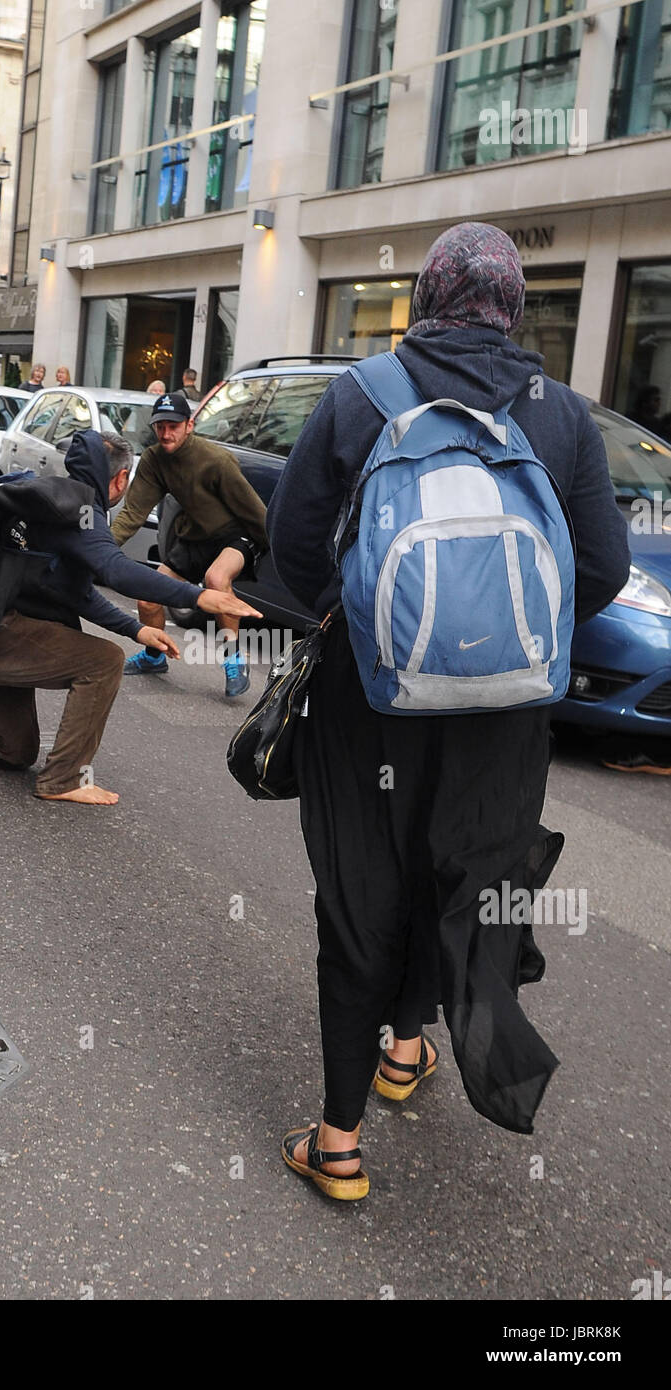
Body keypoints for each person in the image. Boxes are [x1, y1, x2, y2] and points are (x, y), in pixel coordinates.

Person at [268, 221, 631, 1200]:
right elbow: (602, 565)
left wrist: (369, 623)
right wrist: (503, 637)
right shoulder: (558, 414)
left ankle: (338, 1144)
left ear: (424, 298)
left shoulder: (357, 397)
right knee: (459, 876)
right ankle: (405, 1047)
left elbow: (293, 547)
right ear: (512, 308)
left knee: (360, 890)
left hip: (368, 701)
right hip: (502, 715)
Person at [0, 431, 261, 805]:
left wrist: (137, 629)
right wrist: (199, 595)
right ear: (120, 479)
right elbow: (115, 571)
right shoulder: (82, 510)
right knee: (104, 661)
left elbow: (78, 593)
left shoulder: (53, 506)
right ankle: (65, 778)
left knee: (14, 751)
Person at [111, 392, 268, 697]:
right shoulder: (155, 461)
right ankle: (154, 658)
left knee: (216, 579)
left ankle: (234, 659)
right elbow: (132, 513)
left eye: (174, 426)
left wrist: (277, 552)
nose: (166, 433)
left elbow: (254, 510)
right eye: (161, 426)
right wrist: (100, 549)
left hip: (235, 535)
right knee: (148, 598)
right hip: (194, 537)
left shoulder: (216, 460)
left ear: (189, 425)